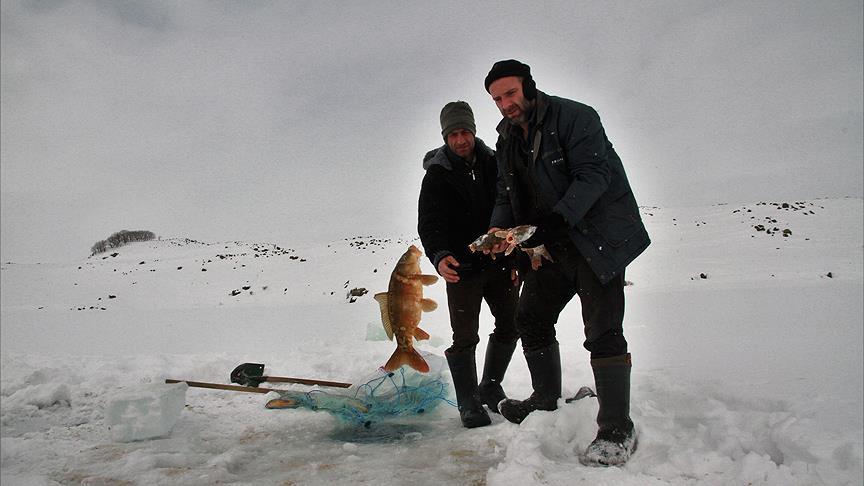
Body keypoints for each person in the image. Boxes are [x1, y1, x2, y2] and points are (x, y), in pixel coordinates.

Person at [482, 60, 650, 465]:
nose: (505, 103)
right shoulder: (506, 141)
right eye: (497, 98)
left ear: (529, 87)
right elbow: (507, 197)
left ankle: (615, 427)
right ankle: (545, 399)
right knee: (531, 316)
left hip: (596, 241)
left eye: (510, 93)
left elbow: (594, 176)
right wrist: (496, 234)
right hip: (550, 248)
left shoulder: (575, 117)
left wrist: (552, 223)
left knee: (603, 332)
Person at [418, 101, 520, 428]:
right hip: (461, 269)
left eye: (465, 132)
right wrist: (439, 255)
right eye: (453, 134)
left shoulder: (494, 162)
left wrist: (514, 254)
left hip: (499, 263)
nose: (460, 140)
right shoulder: (437, 173)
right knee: (465, 337)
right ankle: (468, 403)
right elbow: (430, 223)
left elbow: (512, 208)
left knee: (511, 324)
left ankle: (489, 386)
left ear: (473, 132)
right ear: (445, 137)